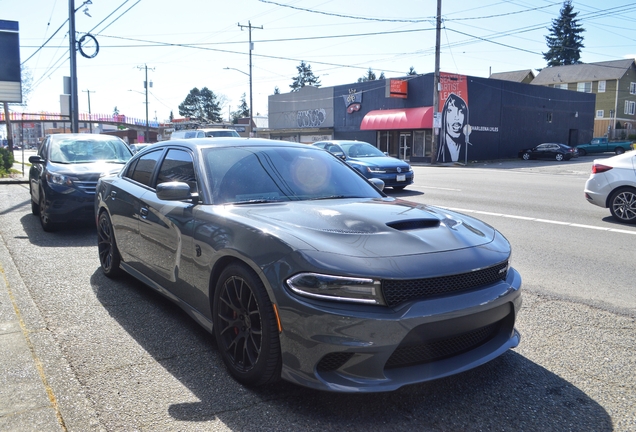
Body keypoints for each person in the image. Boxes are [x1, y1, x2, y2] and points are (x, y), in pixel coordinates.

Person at [437, 93, 469, 163]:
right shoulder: (442, 151)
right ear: (444, 116)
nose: (456, 117)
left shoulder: (469, 149)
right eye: (450, 111)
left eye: (461, 112)